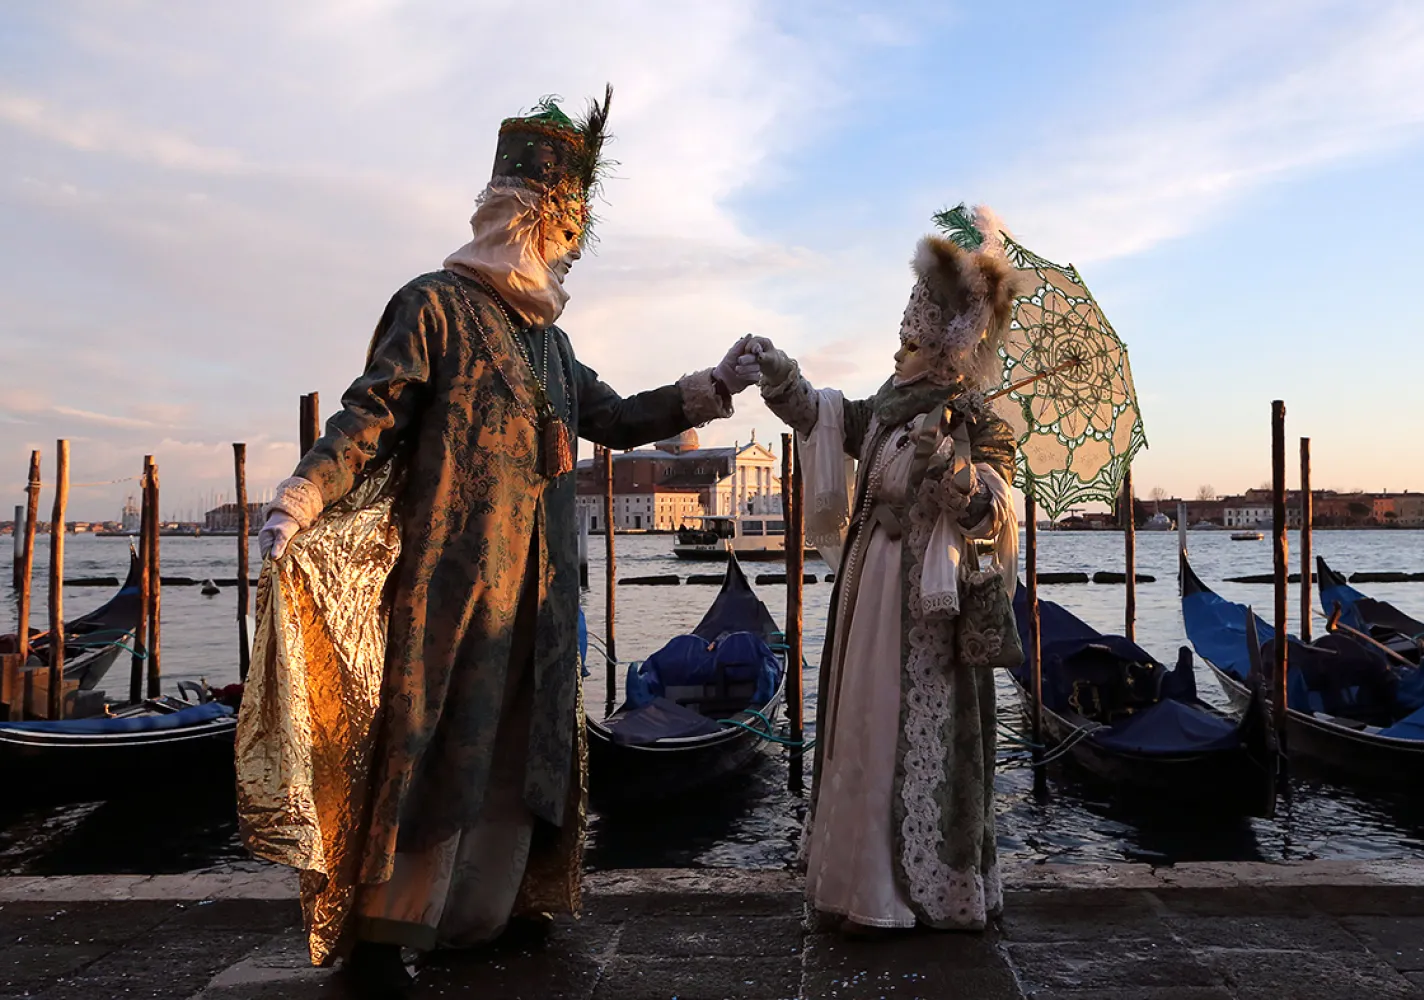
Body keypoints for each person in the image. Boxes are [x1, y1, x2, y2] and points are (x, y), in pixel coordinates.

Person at [235, 89, 762, 999]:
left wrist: (714, 384)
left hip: (542, 599)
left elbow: (622, 417)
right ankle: (382, 933)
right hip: (456, 589)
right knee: (437, 746)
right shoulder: (433, 306)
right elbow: (374, 412)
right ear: (528, 222)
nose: (566, 253)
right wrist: (303, 492)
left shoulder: (550, 343)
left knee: (527, 753)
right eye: (562, 235)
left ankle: (501, 908)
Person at [751, 208, 1024, 934]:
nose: (907, 338)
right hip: (869, 590)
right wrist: (782, 377)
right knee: (863, 727)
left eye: (920, 327)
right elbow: (826, 418)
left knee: (908, 732)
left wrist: (957, 476)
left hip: (927, 613)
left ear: (951, 335)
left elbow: (997, 521)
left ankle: (912, 894)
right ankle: (859, 886)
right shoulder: (894, 400)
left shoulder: (979, 416)